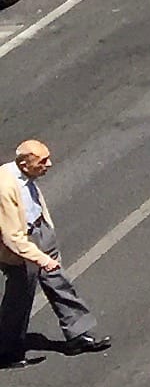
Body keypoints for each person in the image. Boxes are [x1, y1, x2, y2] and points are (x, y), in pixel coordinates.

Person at [0, 140, 106, 363]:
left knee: (59, 283)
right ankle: (7, 351)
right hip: (21, 246)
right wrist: (41, 259)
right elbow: (12, 236)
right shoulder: (4, 185)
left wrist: (47, 233)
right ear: (24, 163)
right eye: (42, 161)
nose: (49, 164)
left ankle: (77, 335)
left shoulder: (27, 175)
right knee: (19, 297)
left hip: (39, 231)